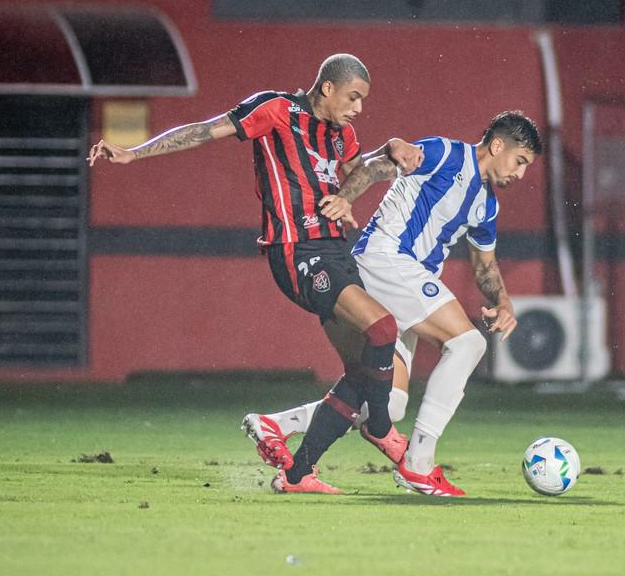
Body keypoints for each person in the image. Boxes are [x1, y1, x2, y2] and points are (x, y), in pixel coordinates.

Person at [89, 54, 424, 494]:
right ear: (327, 87)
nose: (359, 107)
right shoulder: (276, 110)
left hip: (336, 250)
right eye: (354, 96)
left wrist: (392, 152)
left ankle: (298, 473)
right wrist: (135, 152)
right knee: (383, 328)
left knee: (362, 372)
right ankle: (380, 429)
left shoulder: (342, 134)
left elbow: (358, 175)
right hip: (296, 250)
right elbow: (205, 131)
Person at [242, 111, 542, 496]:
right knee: (468, 343)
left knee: (389, 403)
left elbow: (485, 266)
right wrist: (343, 199)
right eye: (520, 161)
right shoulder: (446, 153)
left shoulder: (487, 207)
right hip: (388, 261)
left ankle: (279, 426)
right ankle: (418, 464)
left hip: (404, 281)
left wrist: (502, 300)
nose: (520, 173)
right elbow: (378, 167)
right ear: (498, 145)